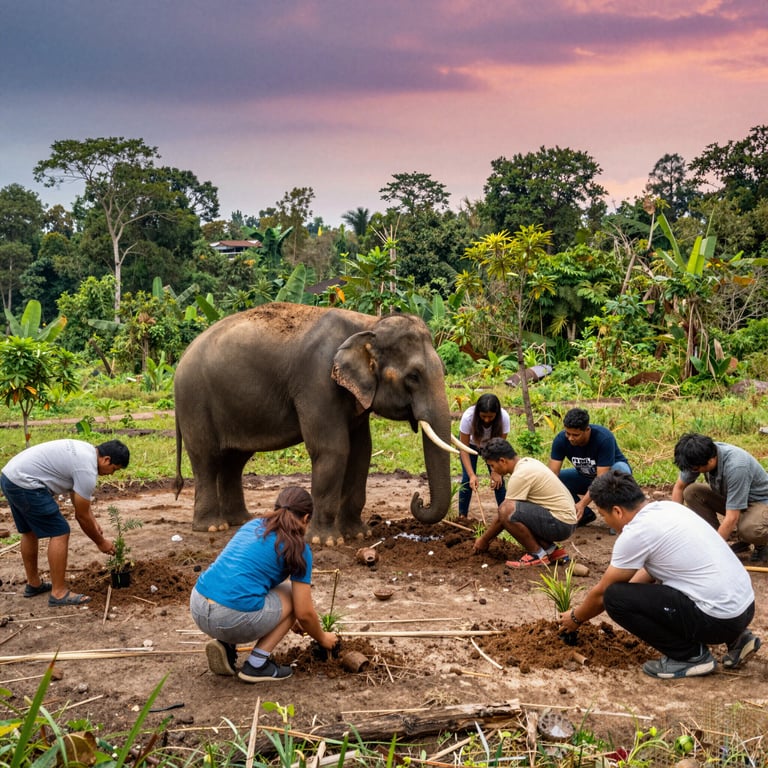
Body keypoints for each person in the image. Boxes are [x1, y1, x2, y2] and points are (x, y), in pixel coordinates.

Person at [559, 471, 760, 679]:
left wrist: (575, 618)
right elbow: (649, 571)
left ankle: (690, 657)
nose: (606, 521)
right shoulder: (667, 508)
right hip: (744, 609)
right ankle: (738, 639)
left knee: (614, 597)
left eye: (603, 515)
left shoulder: (636, 533)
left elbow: (602, 594)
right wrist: (637, 602)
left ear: (617, 511)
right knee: (633, 593)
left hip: (718, 620)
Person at [190, 486, 339, 683]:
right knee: (290, 594)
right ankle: (257, 664)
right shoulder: (299, 547)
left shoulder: (253, 525)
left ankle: (226, 645)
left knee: (246, 583)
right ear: (305, 519)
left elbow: (240, 574)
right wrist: (322, 638)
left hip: (198, 605)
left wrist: (283, 617)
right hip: (230, 618)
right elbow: (305, 613)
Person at [0, 439, 130, 606]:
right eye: (114, 469)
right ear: (106, 459)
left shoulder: (86, 451)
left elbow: (79, 500)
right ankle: (59, 593)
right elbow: (81, 517)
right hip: (26, 483)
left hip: (10, 476)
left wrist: (93, 520)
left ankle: (34, 585)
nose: (111, 474)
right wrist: (101, 542)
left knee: (29, 531)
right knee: (60, 531)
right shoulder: (87, 469)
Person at [473, 438, 577, 567]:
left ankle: (536, 554)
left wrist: (484, 540)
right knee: (518, 513)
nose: (493, 470)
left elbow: (503, 515)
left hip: (560, 524)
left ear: (502, 461)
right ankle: (552, 551)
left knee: (506, 510)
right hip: (566, 521)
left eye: (493, 466)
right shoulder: (528, 462)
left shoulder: (520, 475)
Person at [672, 433, 768, 563]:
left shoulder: (736, 466)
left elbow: (732, 516)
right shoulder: (695, 456)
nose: (693, 471)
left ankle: (761, 544)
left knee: (749, 529)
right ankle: (715, 537)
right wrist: (674, 527)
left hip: (760, 503)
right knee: (691, 492)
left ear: (711, 460)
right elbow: (679, 488)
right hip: (735, 499)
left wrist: (713, 553)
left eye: (696, 469)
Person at [548, 407, 631, 527]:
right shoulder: (561, 440)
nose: (570, 438)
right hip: (585, 476)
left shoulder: (604, 438)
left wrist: (582, 503)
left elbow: (601, 479)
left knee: (620, 469)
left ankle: (620, 518)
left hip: (609, 480)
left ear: (587, 430)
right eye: (568, 433)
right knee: (556, 480)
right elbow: (552, 473)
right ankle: (583, 515)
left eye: (575, 435)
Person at [457, 394, 510, 518]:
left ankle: (506, 517)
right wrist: (471, 475)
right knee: (466, 481)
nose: (487, 420)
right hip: (470, 446)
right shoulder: (468, 418)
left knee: (498, 481)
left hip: (493, 447)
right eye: (483, 416)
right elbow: (463, 449)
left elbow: (500, 446)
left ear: (496, 414)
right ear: (477, 413)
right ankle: (462, 517)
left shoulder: (504, 418)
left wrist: (496, 471)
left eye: (490, 416)